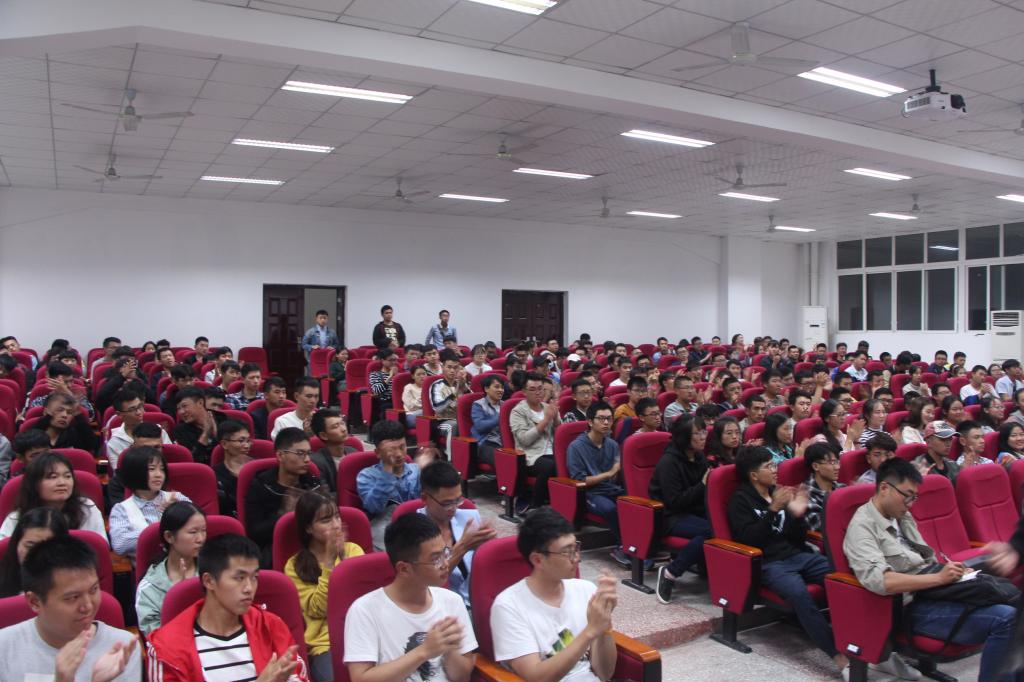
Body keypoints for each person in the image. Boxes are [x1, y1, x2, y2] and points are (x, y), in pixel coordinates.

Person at [845, 458, 1020, 682]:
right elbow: (881, 581)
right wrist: (939, 578)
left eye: (914, 497)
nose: (911, 503)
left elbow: (924, 561)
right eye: (907, 495)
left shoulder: (901, 516)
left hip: (935, 591)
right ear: (884, 488)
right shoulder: (862, 527)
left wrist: (951, 572)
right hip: (908, 606)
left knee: (1016, 607)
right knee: (1007, 620)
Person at [729, 447, 847, 673]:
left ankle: (858, 640)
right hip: (769, 563)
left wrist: (796, 514)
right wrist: (773, 509)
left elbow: (796, 537)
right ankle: (837, 655)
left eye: (774, 465)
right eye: (769, 466)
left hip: (795, 554)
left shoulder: (778, 491)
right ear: (754, 475)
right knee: (800, 595)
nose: (775, 470)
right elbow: (749, 540)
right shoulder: (740, 501)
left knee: (840, 577)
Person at [147, 533, 309, 681]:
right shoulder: (166, 647)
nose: (249, 588)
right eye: (240, 578)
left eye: (254, 577)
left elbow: (299, 676)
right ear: (209, 581)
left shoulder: (271, 626)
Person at [490, 506, 618, 682]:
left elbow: (605, 674)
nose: (577, 558)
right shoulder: (508, 606)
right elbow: (536, 677)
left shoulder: (585, 590)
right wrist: (590, 631)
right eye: (567, 552)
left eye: (576, 548)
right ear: (538, 560)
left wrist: (605, 624)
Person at [344, 513, 476, 682]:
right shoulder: (365, 610)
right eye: (435, 559)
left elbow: (462, 677)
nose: (445, 563)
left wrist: (450, 649)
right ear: (404, 569)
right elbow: (360, 679)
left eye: (445, 553)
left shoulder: (452, 601)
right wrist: (425, 651)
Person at [0, 536, 140, 681]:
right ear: (35, 602)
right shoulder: (4, 647)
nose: (88, 606)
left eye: (93, 590)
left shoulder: (122, 647)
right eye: (73, 597)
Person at [285, 492, 365, 681]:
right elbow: (317, 610)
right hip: (325, 645)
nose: (336, 525)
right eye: (326, 520)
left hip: (362, 633)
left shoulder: (354, 550)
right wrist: (329, 562)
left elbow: (363, 597)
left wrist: (343, 558)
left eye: (337, 516)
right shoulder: (295, 565)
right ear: (308, 528)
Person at [650, 415, 711, 604]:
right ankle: (670, 572)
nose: (703, 437)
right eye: (697, 433)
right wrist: (703, 485)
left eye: (704, 432)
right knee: (713, 532)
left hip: (694, 512)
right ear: (684, 437)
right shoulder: (669, 462)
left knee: (727, 525)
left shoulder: (699, 457)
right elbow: (674, 502)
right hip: (671, 517)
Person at [418, 461, 496, 605]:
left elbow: (487, 568)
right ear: (425, 499)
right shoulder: (414, 529)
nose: (454, 508)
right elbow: (429, 581)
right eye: (447, 503)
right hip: (441, 603)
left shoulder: (468, 517)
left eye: (458, 500)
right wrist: (462, 547)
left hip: (475, 598)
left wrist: (488, 548)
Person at [245, 427, 325, 566]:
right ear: (280, 455)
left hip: (314, 546)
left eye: (308, 453)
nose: (307, 460)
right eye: (300, 454)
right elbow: (255, 533)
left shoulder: (312, 483)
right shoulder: (261, 486)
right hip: (275, 550)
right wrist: (284, 514)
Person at [566, 402, 629, 566]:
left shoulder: (612, 444)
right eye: (601, 419)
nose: (606, 423)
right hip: (589, 493)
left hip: (611, 489)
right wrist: (609, 474)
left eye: (609, 419)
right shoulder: (576, 447)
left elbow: (616, 475)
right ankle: (623, 546)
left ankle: (639, 545)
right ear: (590, 421)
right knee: (610, 509)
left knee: (635, 504)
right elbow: (579, 480)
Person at [135, 501, 207, 635]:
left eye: (204, 531)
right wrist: (179, 600)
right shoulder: (150, 587)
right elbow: (155, 638)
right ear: (169, 537)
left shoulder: (213, 573)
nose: (201, 539)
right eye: (193, 532)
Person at [0, 451, 106, 540]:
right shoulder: (16, 518)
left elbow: (100, 547)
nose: (62, 483)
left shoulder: (86, 508)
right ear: (34, 483)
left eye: (67, 476)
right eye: (53, 477)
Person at [109, 446, 190, 557]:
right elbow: (120, 545)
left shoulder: (177, 498)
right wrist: (163, 521)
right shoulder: (122, 509)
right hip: (147, 565)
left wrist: (176, 512)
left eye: (162, 469)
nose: (159, 474)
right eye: (152, 469)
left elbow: (198, 526)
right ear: (135, 472)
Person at [357, 419, 427, 549]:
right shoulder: (366, 476)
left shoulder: (416, 470)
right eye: (392, 450)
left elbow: (428, 502)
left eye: (402, 447)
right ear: (378, 453)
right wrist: (388, 472)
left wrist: (428, 470)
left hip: (417, 524)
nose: (399, 454)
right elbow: (374, 507)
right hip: (386, 528)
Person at [510, 373, 560, 514]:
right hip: (531, 455)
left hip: (552, 451)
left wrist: (556, 419)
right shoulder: (518, 411)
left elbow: (559, 435)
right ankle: (535, 506)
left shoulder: (547, 407)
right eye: (533, 389)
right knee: (550, 466)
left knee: (569, 462)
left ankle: (562, 505)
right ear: (524, 391)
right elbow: (525, 440)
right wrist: (546, 420)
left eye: (540, 389)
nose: (538, 392)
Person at [0, 507, 69, 597]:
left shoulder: (77, 583)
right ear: (17, 544)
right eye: (30, 546)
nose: (37, 554)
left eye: (47, 548)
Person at [106, 389, 171, 468]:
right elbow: (120, 472)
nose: (139, 412)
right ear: (119, 414)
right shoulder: (115, 443)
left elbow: (170, 460)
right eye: (132, 409)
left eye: (140, 406)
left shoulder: (158, 431)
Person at [429, 350, 470, 457]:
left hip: (460, 419)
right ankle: (450, 458)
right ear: (443, 367)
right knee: (453, 426)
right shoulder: (437, 385)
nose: (452, 370)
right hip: (442, 421)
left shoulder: (461, 384)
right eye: (449, 367)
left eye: (455, 368)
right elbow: (437, 408)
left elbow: (472, 403)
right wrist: (455, 394)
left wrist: (464, 386)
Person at [310, 407, 359, 493]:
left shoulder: (354, 453)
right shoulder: (316, 462)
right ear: (323, 435)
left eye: (342, 423)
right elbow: (324, 496)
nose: (343, 429)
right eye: (335, 426)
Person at [213, 420, 252, 518]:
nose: (247, 445)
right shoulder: (215, 474)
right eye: (241, 441)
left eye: (248, 441)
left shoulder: (258, 467)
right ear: (224, 444)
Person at [171, 386, 220, 465]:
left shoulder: (222, 419)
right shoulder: (180, 431)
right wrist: (205, 434)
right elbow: (192, 462)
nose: (181, 412)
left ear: (200, 403)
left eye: (184, 406)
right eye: (178, 408)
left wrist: (216, 435)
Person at [802, 443, 843, 532]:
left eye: (837, 462)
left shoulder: (841, 488)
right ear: (815, 466)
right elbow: (824, 527)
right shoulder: (806, 496)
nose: (837, 467)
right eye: (831, 463)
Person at [470, 375, 504, 468]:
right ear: (486, 389)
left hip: (503, 442)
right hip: (485, 443)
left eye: (502, 387)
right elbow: (480, 426)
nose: (501, 390)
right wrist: (499, 417)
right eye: (497, 387)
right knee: (503, 461)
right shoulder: (478, 405)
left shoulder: (504, 405)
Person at [250, 375, 288, 440]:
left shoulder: (288, 415)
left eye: (284, 392)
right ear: (266, 395)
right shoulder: (256, 417)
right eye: (277, 392)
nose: (281, 396)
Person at [368, 348, 399, 424]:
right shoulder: (375, 375)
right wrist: (390, 377)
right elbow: (376, 391)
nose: (393, 362)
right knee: (388, 407)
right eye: (390, 360)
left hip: (400, 401)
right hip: (385, 401)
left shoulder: (399, 375)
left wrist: (397, 376)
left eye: (395, 360)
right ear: (382, 361)